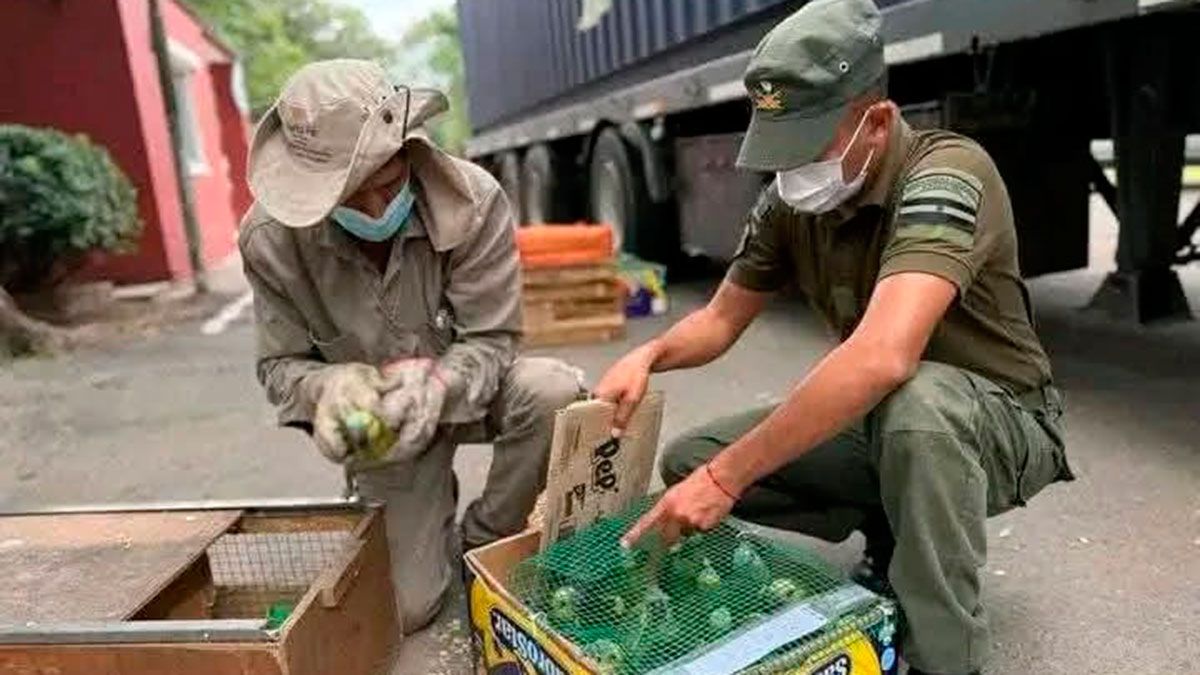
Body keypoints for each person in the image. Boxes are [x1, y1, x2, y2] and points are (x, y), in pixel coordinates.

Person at [595, 1, 1074, 673]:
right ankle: (891, 528)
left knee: (915, 408)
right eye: (779, 150)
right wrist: (649, 354)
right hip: (895, 417)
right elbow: (721, 319)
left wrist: (726, 480)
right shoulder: (791, 203)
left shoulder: (946, 175)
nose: (791, 172)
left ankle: (945, 655)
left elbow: (883, 357)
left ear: (876, 122)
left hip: (1001, 420)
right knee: (692, 458)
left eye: (807, 147)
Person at [239, 59, 582, 632]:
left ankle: (484, 539)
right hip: (383, 428)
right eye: (353, 196)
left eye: (387, 182)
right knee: (407, 610)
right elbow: (279, 366)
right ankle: (417, 521)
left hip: (470, 389)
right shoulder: (270, 241)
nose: (376, 209)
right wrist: (329, 387)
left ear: (409, 148)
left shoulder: (474, 200)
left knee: (552, 391)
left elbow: (492, 339)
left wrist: (437, 384)